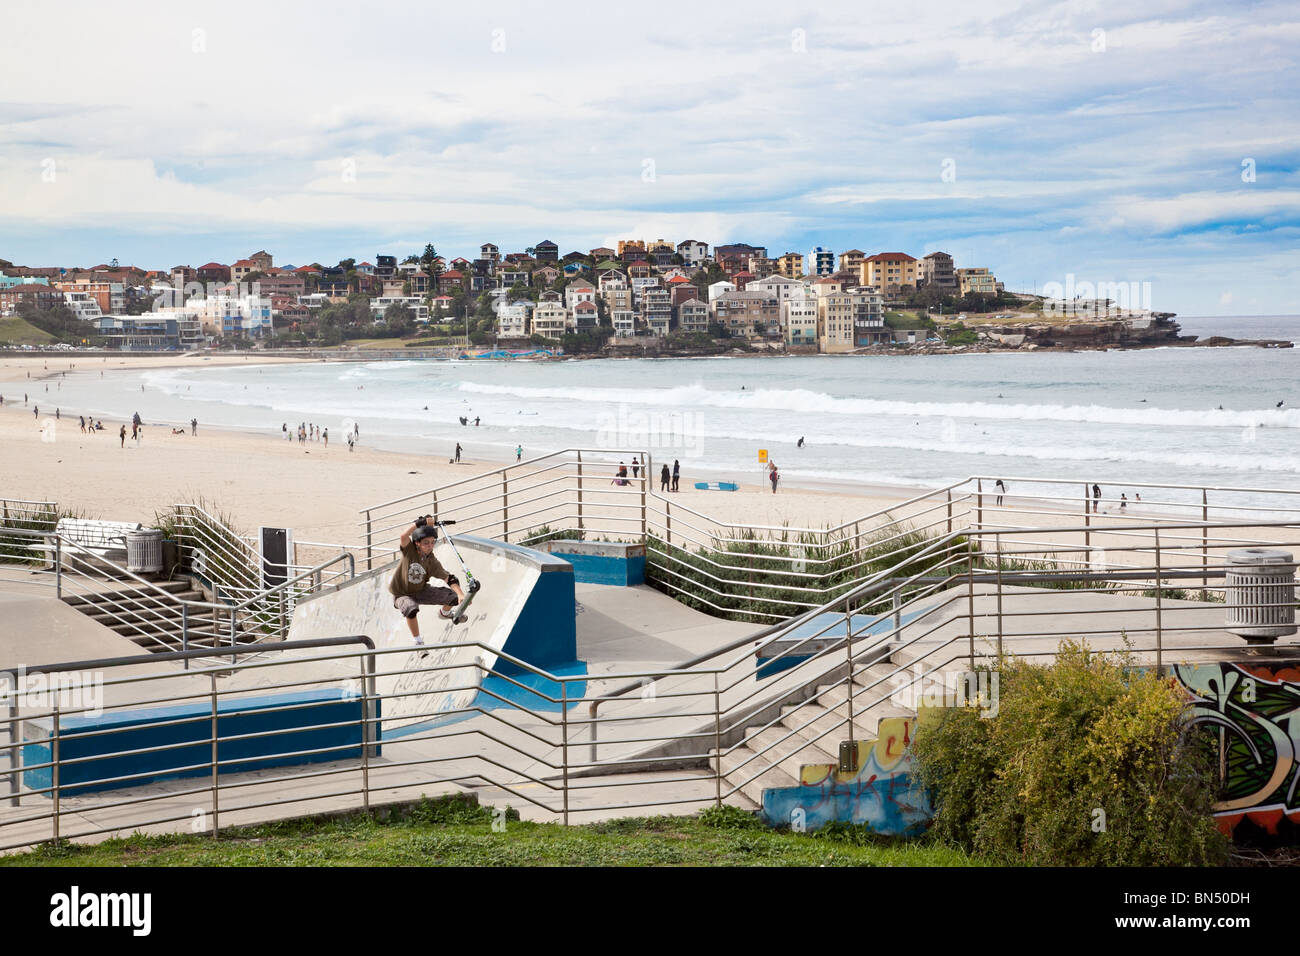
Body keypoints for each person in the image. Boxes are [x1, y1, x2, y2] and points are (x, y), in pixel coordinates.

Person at [390, 517, 466, 646]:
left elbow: (449, 578)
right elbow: (404, 536)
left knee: (453, 598)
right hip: (402, 594)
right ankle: (418, 641)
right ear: (417, 543)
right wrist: (420, 523)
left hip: (421, 591)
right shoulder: (410, 551)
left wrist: (460, 594)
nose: (430, 546)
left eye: (432, 542)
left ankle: (445, 613)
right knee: (411, 608)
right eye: (426, 543)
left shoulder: (432, 561)